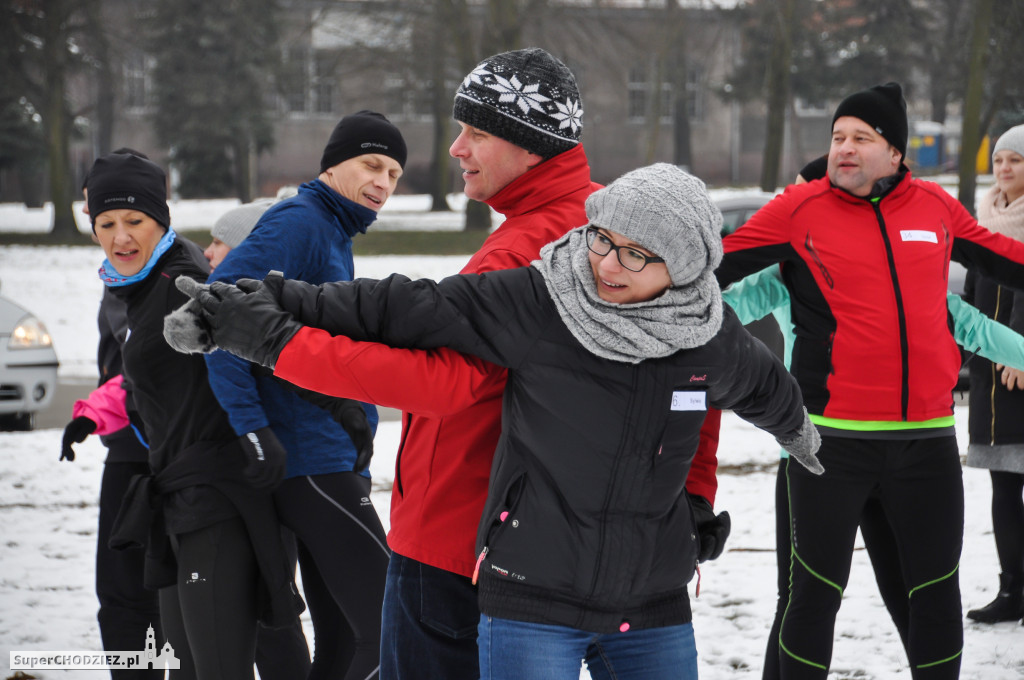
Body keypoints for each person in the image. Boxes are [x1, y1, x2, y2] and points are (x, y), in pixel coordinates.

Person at [174, 48, 720, 679]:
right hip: (589, 558)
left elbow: (443, 384)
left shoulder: (523, 249)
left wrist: (278, 344)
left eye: (477, 133)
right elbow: (694, 375)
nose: (457, 148)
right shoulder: (618, 233)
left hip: (461, 543)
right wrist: (694, 497)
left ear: (529, 145)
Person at [715, 82, 1024, 679]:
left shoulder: (935, 208)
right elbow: (717, 268)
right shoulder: (800, 210)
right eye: (837, 137)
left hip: (926, 441)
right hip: (829, 442)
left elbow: (995, 260)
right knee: (811, 597)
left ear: (896, 152)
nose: (844, 148)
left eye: (862, 137)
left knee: (935, 592)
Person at [196, 110, 403, 680]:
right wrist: (253, 428)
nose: (383, 182)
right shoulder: (302, 221)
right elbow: (215, 311)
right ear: (333, 164)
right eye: (370, 164)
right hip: (309, 462)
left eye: (393, 172)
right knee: (393, 629)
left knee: (341, 640)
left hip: (329, 455)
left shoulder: (332, 228)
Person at [85, 151, 304, 680]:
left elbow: (257, 356)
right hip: (178, 498)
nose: (121, 237)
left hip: (216, 501)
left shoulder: (180, 282)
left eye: (134, 222)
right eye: (106, 224)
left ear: (161, 219)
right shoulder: (136, 286)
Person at [964, 123, 1024, 624]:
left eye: (1016, 160)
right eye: (999, 160)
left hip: (1021, 373)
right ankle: (1013, 591)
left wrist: (1019, 352)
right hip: (991, 376)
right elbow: (970, 297)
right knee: (1004, 489)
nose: (1004, 169)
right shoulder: (983, 223)